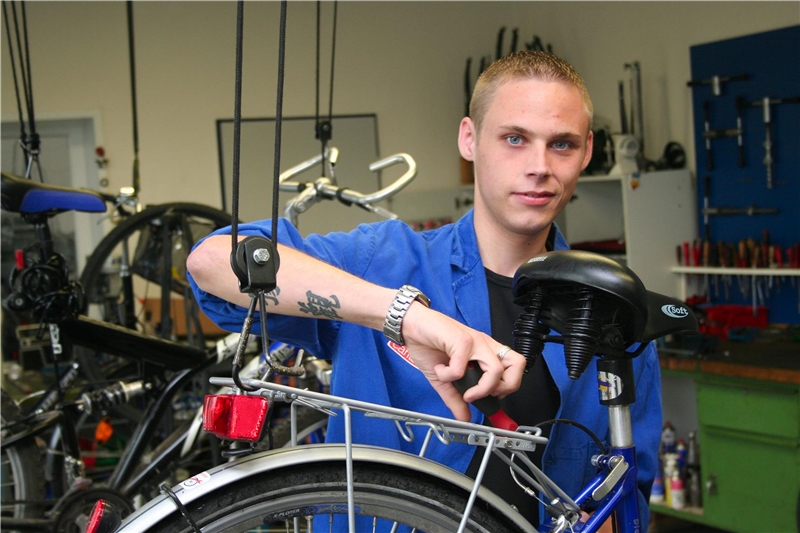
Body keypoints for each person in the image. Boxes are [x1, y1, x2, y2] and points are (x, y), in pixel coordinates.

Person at [187, 50, 661, 531]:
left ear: (585, 152)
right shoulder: (382, 261)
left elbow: (631, 498)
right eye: (514, 138)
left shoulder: (613, 312)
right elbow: (211, 262)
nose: (539, 166)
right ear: (469, 139)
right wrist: (403, 314)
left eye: (561, 144)